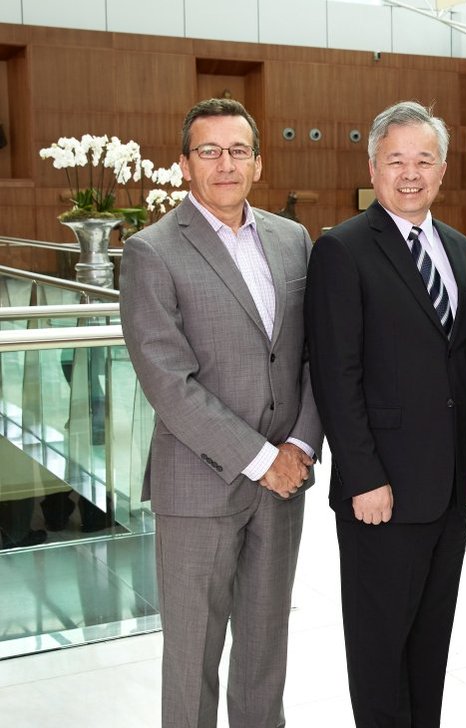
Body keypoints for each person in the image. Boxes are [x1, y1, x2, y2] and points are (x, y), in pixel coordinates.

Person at [120, 97, 321, 728]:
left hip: (284, 481)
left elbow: (316, 355)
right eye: (209, 151)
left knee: (265, 651)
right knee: (193, 658)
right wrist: (261, 459)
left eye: (238, 151)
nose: (225, 164)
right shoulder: (152, 251)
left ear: (258, 163)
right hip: (198, 485)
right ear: (185, 165)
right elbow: (167, 381)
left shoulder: (293, 240)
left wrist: (300, 447)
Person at [304, 101, 466, 727]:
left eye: (423, 160)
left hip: (450, 488)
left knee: (431, 642)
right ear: (372, 168)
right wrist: (362, 476)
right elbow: (335, 375)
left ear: (442, 169)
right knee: (380, 647)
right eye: (396, 160)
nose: (410, 174)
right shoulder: (342, 249)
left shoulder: (462, 250)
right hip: (380, 488)